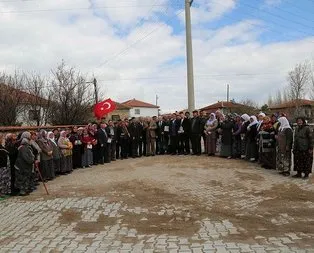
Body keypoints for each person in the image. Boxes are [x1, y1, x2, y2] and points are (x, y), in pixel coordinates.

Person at [14, 132, 35, 196]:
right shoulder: (23, 147)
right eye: (29, 137)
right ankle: (22, 191)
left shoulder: (27, 146)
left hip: (25, 166)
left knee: (26, 177)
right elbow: (26, 157)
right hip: (22, 166)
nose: (30, 138)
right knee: (23, 178)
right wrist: (32, 160)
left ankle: (25, 190)